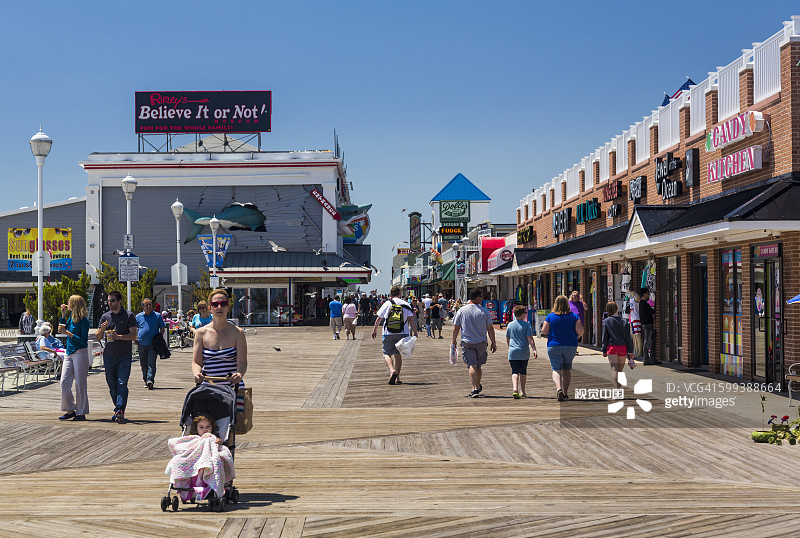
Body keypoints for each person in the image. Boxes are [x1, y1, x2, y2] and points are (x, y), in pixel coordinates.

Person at [192, 289, 248, 411]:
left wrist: (239, 374)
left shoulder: (238, 333)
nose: (219, 307)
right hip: (208, 389)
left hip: (234, 388)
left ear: (228, 307)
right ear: (210, 308)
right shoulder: (201, 333)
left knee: (236, 421)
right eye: (215, 304)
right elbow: (196, 362)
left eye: (223, 304)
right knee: (206, 421)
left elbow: (242, 362)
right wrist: (197, 374)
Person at [165, 414, 235, 503]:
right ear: (196, 428)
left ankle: (208, 485)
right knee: (177, 460)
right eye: (201, 427)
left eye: (208, 427)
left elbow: (219, 449)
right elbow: (186, 447)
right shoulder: (193, 438)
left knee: (214, 462)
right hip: (194, 456)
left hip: (208, 456)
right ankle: (185, 484)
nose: (205, 429)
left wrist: (219, 443)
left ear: (212, 427)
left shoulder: (214, 438)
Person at [96, 290, 138, 423]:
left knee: (122, 383)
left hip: (124, 355)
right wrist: (102, 329)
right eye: (108, 301)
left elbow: (134, 335)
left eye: (112, 300)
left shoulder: (129, 315)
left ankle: (119, 410)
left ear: (119, 301)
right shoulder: (105, 316)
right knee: (112, 385)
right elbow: (98, 337)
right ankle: (118, 409)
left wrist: (119, 337)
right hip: (108, 355)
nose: (109, 303)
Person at [452, 288, 497, 398]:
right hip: (481, 342)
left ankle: (474, 388)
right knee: (478, 365)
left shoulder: (462, 310)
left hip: (467, 342)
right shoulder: (484, 311)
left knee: (472, 365)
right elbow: (490, 328)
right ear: (477, 298)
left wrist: (453, 340)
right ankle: (477, 385)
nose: (482, 299)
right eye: (481, 297)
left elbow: (456, 327)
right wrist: (493, 342)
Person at [540, 294, 583, 401]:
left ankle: (558, 389)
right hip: (570, 346)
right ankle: (565, 393)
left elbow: (544, 331)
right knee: (566, 370)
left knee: (556, 369)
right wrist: (576, 336)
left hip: (554, 346)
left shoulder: (550, 316)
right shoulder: (574, 316)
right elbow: (580, 331)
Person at [372, 286, 417, 385]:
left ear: (391, 294)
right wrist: (415, 332)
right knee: (398, 354)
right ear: (400, 294)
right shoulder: (405, 304)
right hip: (402, 333)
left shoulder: (387, 304)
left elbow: (378, 319)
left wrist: (374, 331)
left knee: (386, 353)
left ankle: (392, 370)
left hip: (388, 333)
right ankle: (398, 378)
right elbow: (411, 320)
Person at [58, 295, 91, 421]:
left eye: (69, 301)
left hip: (80, 352)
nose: (67, 303)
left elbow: (83, 340)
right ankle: (70, 409)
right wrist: (63, 315)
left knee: (80, 383)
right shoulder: (71, 318)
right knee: (64, 382)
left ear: (74, 304)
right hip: (69, 352)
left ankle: (81, 412)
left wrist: (68, 333)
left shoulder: (84, 321)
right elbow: (64, 327)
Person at [601, 301, 635, 388]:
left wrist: (604, 349)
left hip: (612, 347)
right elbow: (628, 338)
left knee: (614, 370)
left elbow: (605, 337)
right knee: (620, 371)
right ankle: (618, 390)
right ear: (617, 308)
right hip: (623, 348)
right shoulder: (625, 321)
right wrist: (630, 351)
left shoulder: (607, 321)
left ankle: (616, 391)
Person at [506, 304, 538, 399]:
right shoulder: (526, 325)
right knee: (523, 371)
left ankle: (515, 388)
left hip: (513, 351)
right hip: (524, 351)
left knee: (515, 371)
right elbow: (530, 338)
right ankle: (523, 391)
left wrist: (510, 347)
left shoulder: (510, 325)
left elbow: (508, 338)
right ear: (522, 314)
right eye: (525, 312)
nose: (526, 314)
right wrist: (534, 349)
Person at [136, 298, 167, 390]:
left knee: (151, 363)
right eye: (146, 305)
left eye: (150, 304)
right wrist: (135, 339)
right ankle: (145, 379)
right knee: (143, 364)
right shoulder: (138, 317)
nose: (149, 306)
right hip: (141, 344)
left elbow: (162, 328)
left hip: (152, 344)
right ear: (143, 307)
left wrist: (158, 338)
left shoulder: (157, 316)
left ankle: (150, 380)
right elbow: (134, 328)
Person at [639, 287, 659, 365]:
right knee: (648, 341)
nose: (648, 295)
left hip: (645, 324)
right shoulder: (644, 304)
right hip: (647, 324)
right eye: (648, 293)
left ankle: (651, 358)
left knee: (650, 341)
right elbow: (652, 311)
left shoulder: (641, 303)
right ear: (644, 294)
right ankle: (647, 359)